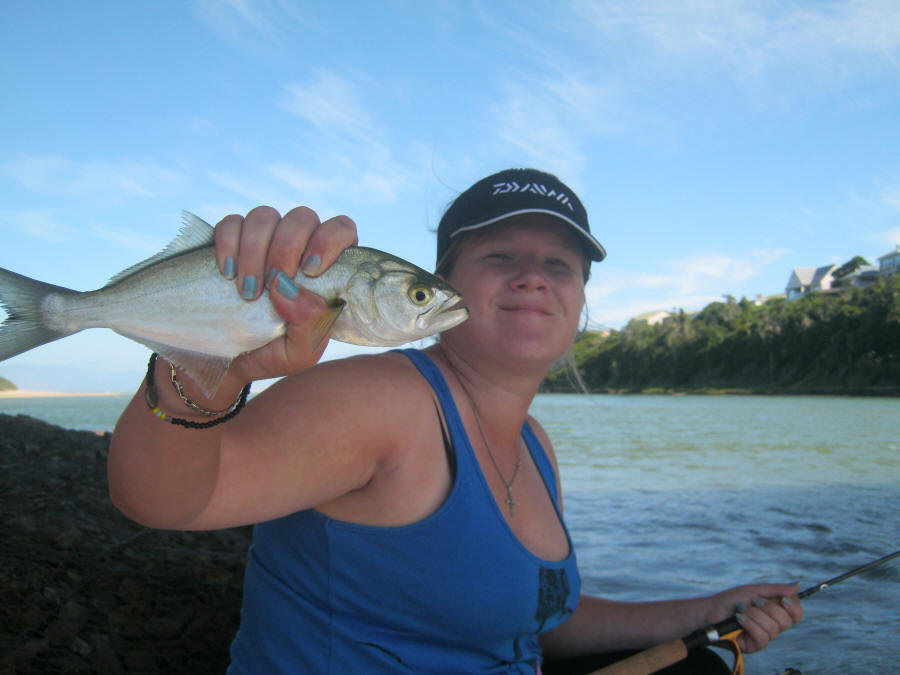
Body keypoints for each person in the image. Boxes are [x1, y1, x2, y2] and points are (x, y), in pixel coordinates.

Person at [108, 168, 803, 674]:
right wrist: (212, 361)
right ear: (444, 281)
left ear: (581, 303)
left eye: (558, 264)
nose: (532, 276)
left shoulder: (536, 447)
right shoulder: (384, 399)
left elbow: (538, 622)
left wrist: (706, 608)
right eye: (500, 256)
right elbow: (163, 497)